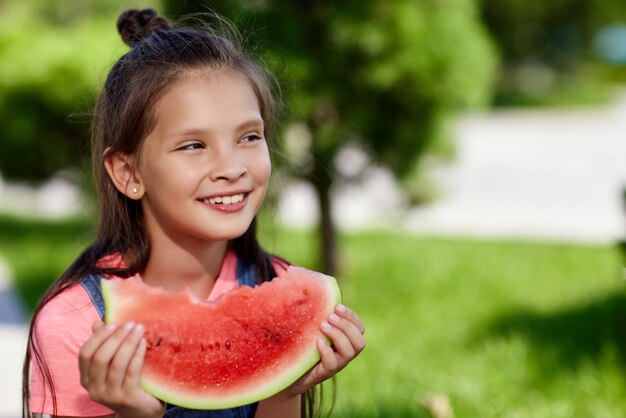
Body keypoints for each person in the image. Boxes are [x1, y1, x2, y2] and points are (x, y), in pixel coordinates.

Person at [22, 8, 365, 418]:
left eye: (249, 137)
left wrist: (285, 390)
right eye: (193, 145)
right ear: (128, 172)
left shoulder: (278, 284)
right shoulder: (75, 322)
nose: (232, 167)